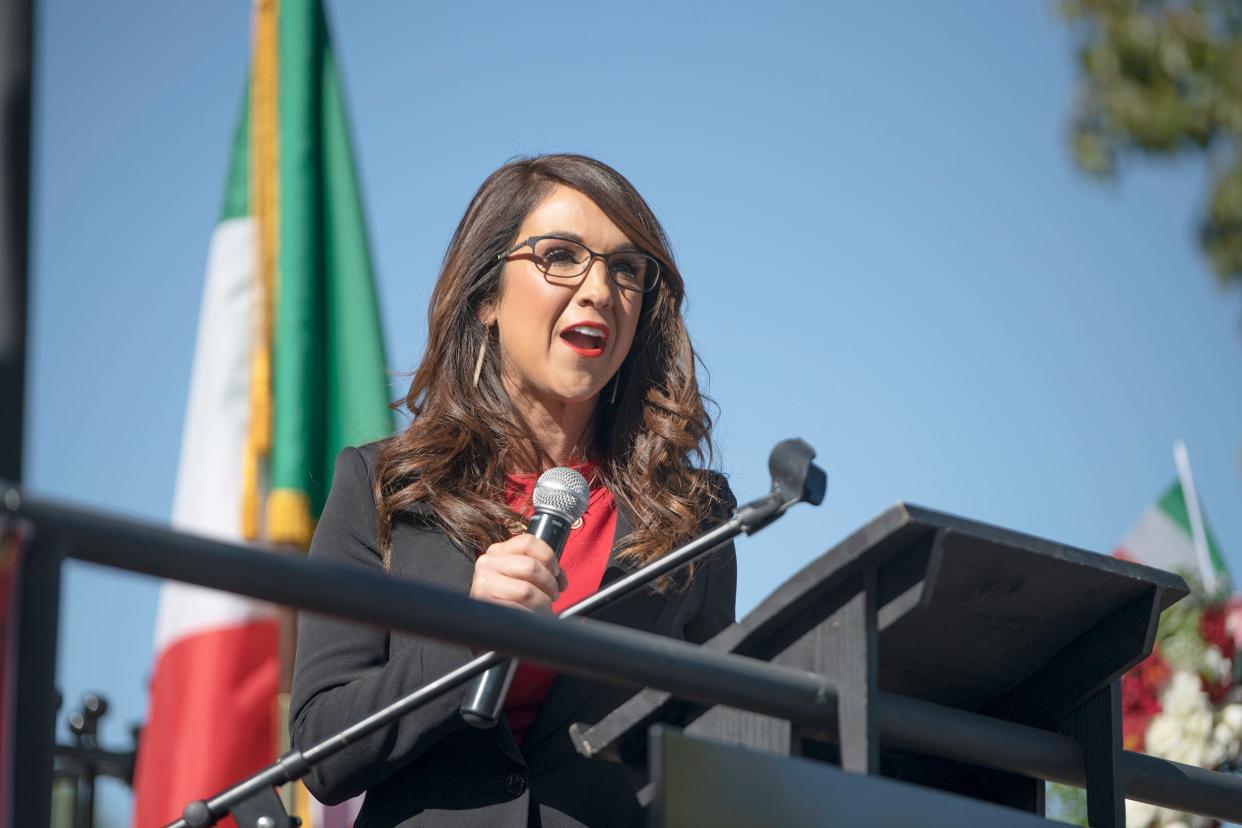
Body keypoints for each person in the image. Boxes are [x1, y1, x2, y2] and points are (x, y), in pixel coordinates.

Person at [289, 154, 737, 827]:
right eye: (560, 256)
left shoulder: (692, 517)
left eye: (626, 269)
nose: (598, 290)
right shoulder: (384, 487)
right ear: (486, 298)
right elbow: (323, 751)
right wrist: (467, 637)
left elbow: (718, 745)